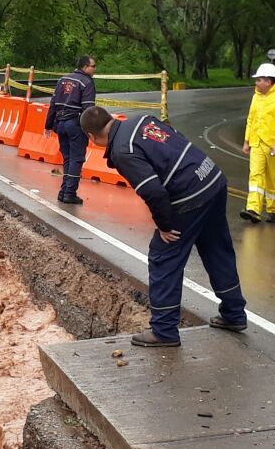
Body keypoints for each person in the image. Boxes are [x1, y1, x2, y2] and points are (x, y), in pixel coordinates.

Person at [80, 106, 249, 347]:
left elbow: (153, 191)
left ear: (91, 137)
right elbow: (176, 138)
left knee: (163, 256)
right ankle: (234, 313)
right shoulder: (142, 120)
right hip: (212, 178)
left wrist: (165, 226)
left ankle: (164, 330)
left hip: (189, 194)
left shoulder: (122, 151)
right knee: (216, 249)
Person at [240, 63, 275, 224]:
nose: (256, 83)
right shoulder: (256, 96)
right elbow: (251, 119)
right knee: (255, 175)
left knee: (274, 179)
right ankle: (253, 209)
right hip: (257, 142)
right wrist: (246, 141)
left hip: (274, 145)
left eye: (259, 80)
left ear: (269, 81)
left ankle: (273, 209)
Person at [43, 56, 97, 204]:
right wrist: (91, 130)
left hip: (60, 124)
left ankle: (63, 191)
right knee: (77, 159)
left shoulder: (63, 80)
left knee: (68, 158)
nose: (95, 69)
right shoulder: (87, 82)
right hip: (75, 125)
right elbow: (88, 109)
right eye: (93, 66)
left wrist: (48, 125)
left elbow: (53, 104)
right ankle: (69, 193)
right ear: (85, 67)